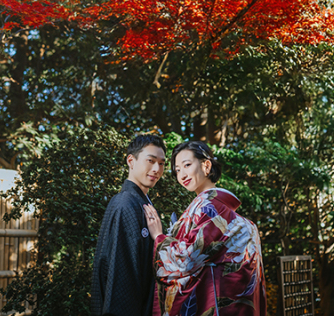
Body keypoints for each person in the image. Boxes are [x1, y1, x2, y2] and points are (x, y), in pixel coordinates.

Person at [143, 141, 266, 316]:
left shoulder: (209, 207)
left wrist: (159, 237)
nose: (182, 174)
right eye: (177, 170)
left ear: (206, 165)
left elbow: (186, 260)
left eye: (187, 165)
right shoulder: (224, 210)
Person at [91, 134, 168, 316]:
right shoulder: (125, 203)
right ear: (131, 161)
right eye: (150, 161)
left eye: (162, 163)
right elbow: (120, 274)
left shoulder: (141, 203)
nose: (156, 169)